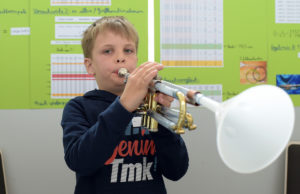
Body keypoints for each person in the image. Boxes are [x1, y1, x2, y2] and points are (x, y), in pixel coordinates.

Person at [61, 16, 189, 194]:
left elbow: (176, 171)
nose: (120, 58)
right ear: (90, 66)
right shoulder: (78, 107)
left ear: (136, 58)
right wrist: (124, 106)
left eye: (128, 50)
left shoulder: (149, 104)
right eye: (108, 51)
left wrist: (161, 119)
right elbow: (80, 162)